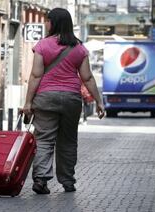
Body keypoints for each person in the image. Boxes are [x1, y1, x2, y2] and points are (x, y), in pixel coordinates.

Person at [22, 8, 105, 194]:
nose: (46, 24)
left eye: (48, 21)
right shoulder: (79, 48)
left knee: (43, 139)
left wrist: (28, 102)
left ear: (54, 23)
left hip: (45, 98)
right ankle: (68, 181)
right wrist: (99, 102)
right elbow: (88, 78)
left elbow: (35, 75)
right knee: (68, 141)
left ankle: (41, 180)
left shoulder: (43, 45)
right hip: (71, 99)